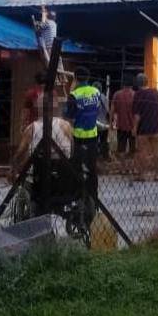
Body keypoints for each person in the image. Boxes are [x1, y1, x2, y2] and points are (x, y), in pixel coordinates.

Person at [65, 67, 101, 212]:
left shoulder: (74, 95)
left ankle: (77, 197)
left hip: (78, 137)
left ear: (75, 78)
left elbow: (69, 116)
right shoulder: (96, 92)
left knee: (75, 167)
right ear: (88, 77)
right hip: (93, 135)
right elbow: (96, 110)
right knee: (92, 168)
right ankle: (94, 198)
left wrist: (70, 91)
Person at [9, 103, 72, 183]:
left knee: (29, 155)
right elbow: (72, 147)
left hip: (40, 167)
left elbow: (20, 152)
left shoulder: (32, 127)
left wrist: (14, 168)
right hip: (62, 167)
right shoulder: (65, 125)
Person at [131, 72, 158, 182]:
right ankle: (157, 174)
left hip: (143, 129)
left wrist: (134, 128)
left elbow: (137, 115)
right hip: (155, 127)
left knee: (142, 152)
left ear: (138, 83)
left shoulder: (138, 95)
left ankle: (142, 175)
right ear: (147, 81)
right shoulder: (155, 93)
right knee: (156, 152)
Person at [111, 79, 136, 159]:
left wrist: (111, 123)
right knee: (133, 149)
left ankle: (122, 163)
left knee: (121, 149)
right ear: (132, 85)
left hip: (121, 125)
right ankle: (132, 163)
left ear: (123, 84)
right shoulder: (135, 95)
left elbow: (112, 110)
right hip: (133, 126)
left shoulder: (117, 94)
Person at [92, 81, 111, 161]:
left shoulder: (92, 98)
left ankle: (95, 156)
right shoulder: (105, 97)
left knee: (94, 141)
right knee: (104, 141)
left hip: (95, 124)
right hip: (104, 123)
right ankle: (105, 156)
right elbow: (108, 111)